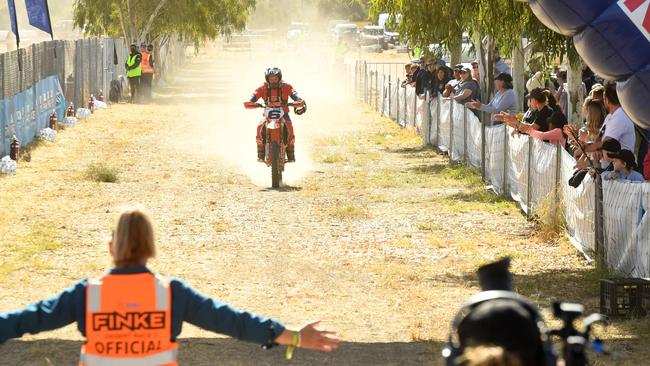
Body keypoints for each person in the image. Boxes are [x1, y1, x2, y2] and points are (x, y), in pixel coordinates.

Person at [0, 208, 339, 364]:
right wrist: (293, 335)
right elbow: (232, 321)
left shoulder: (87, 294)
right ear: (150, 247)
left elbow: (26, 320)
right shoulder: (170, 293)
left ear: (110, 246)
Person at [248, 66, 305, 162]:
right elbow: (253, 96)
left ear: (279, 78)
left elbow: (295, 95)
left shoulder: (287, 87)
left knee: (290, 127)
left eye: (275, 78)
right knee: (259, 127)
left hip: (284, 113)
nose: (273, 80)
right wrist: (251, 102)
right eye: (271, 78)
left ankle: (291, 153)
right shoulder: (262, 88)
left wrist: (299, 100)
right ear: (267, 79)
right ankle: (260, 153)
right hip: (267, 114)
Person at [584, 82, 636, 152]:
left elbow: (605, 144)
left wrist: (584, 148)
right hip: (609, 162)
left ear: (607, 100)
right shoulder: (610, 116)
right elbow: (598, 139)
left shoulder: (620, 117)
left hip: (621, 162)